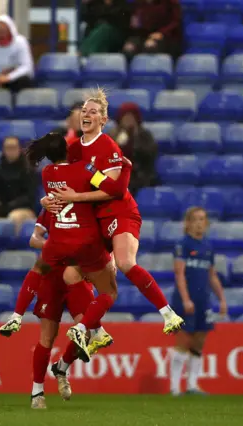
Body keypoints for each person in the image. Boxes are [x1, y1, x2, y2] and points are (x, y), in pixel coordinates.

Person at [44, 88, 184, 335]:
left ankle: (168, 313)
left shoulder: (108, 147)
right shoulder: (74, 150)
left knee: (126, 262)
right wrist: (48, 201)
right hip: (95, 220)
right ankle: (92, 331)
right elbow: (63, 182)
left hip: (120, 212)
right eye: (84, 111)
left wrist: (80, 192)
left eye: (93, 112)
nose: (87, 114)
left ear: (103, 119)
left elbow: (115, 191)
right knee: (70, 274)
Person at [23, 132, 120, 408]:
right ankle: (40, 388)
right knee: (58, 333)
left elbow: (36, 235)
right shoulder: (82, 175)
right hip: (67, 265)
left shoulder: (49, 181)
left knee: (67, 334)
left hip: (65, 268)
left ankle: (55, 374)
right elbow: (110, 187)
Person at [170, 207, 227, 396]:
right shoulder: (183, 245)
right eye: (195, 219)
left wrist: (222, 299)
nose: (199, 223)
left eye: (203, 219)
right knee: (184, 340)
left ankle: (192, 385)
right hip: (185, 300)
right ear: (187, 223)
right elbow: (179, 274)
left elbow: (212, 275)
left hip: (204, 300)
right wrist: (186, 299)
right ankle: (175, 387)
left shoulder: (208, 247)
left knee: (199, 341)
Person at [0, 136, 36, 226]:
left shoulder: (28, 170)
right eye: (7, 148)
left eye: (13, 147)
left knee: (13, 217)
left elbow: (29, 197)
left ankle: (15, 240)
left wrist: (11, 206)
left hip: (23, 209)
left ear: (20, 149)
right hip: (1, 208)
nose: (10, 151)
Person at [109, 102, 158, 196]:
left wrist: (133, 139)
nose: (128, 120)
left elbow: (150, 155)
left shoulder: (145, 135)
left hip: (141, 177)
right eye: (125, 117)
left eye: (131, 117)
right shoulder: (112, 135)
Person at [0, 15, 34, 92]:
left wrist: (9, 77)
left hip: (17, 76)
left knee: (23, 81)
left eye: (2, 35)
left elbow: (27, 67)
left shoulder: (20, 42)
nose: (0, 38)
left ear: (10, 32)